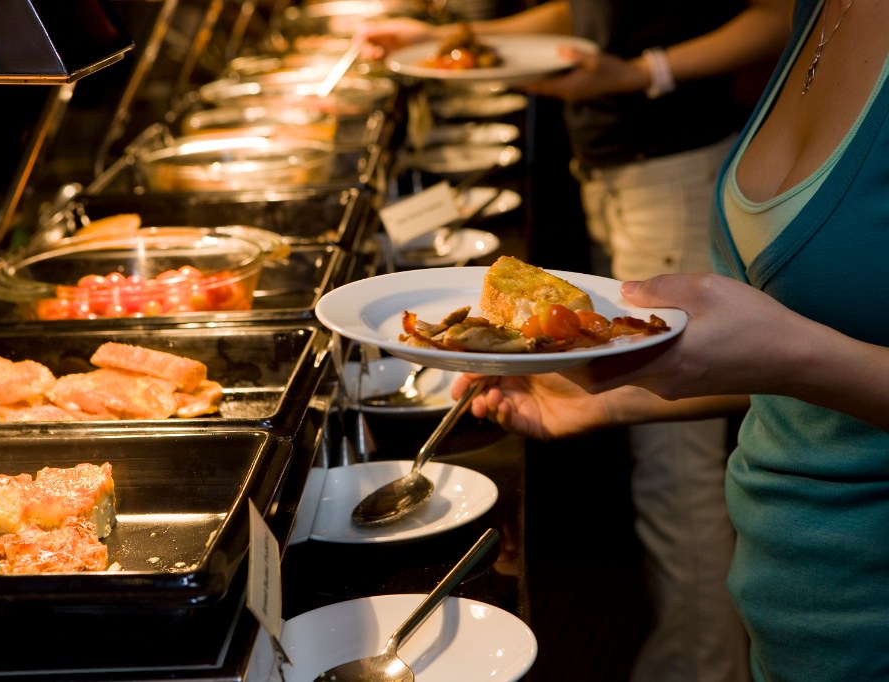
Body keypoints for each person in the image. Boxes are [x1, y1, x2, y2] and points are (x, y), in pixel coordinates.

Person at [447, 0, 889, 678]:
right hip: (785, 604)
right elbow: (827, 365)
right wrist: (620, 390)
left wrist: (797, 356)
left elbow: (812, 355)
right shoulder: (820, 10)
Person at [361, 3, 790, 680]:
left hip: (672, 163)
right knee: (657, 455)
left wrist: (645, 72)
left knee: (675, 473)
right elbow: (587, 11)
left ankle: (703, 666)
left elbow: (778, 14)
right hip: (617, 168)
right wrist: (447, 39)